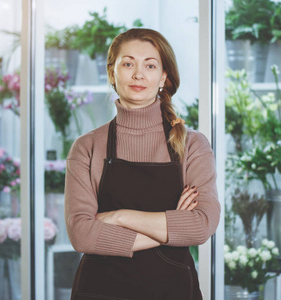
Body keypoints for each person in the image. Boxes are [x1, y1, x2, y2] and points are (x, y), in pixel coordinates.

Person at [65, 28, 220, 300]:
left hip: (172, 291)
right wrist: (171, 226)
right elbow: (81, 235)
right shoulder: (87, 147)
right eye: (128, 64)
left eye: (150, 65)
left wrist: (119, 217)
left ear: (163, 77)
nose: (138, 74)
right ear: (112, 72)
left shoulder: (192, 145)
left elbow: (201, 225)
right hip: (99, 291)